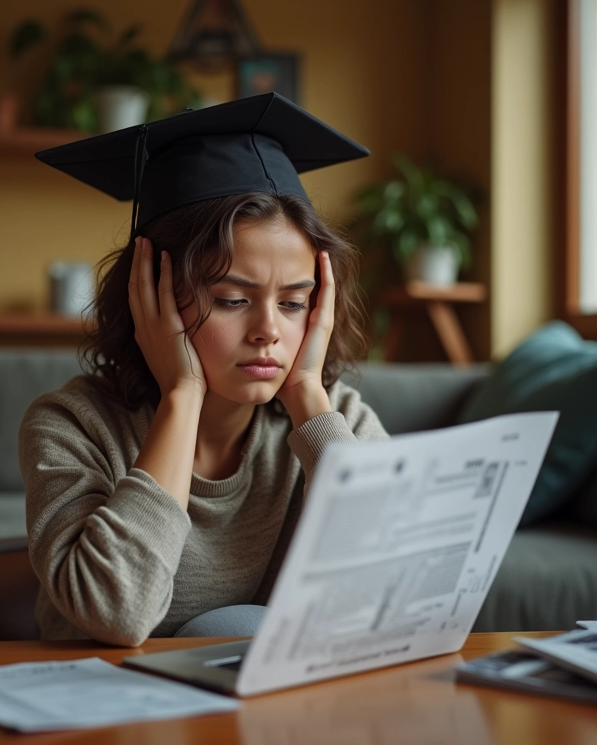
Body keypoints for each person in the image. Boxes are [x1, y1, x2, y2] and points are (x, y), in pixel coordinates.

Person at [19, 93, 388, 646]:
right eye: (233, 300)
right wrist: (182, 397)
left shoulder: (340, 425)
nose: (269, 329)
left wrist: (310, 396)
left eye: (293, 302)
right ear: (151, 296)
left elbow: (386, 593)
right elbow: (114, 613)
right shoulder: (71, 426)